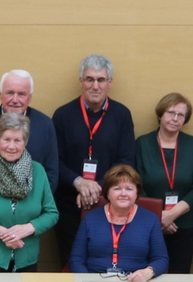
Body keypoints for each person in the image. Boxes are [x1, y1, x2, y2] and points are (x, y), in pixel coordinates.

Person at [52, 55, 135, 268]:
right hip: (69, 205)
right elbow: (54, 162)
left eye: (101, 80)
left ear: (110, 83)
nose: (95, 86)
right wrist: (80, 182)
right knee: (71, 264)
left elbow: (126, 161)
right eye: (89, 79)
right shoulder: (62, 115)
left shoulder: (122, 114)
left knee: (104, 264)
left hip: (108, 206)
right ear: (81, 82)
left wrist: (96, 188)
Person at [0, 113, 59, 272]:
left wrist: (29, 228)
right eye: (6, 139)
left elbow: (51, 213)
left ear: (25, 142)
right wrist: (2, 233)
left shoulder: (38, 171)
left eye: (17, 140)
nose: (11, 146)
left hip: (26, 258)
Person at [134, 93, 193, 274]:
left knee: (179, 276)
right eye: (171, 113)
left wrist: (171, 214)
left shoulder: (192, 144)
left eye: (180, 115)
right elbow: (135, 185)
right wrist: (159, 216)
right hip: (149, 223)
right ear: (160, 114)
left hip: (185, 224)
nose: (175, 119)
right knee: (147, 275)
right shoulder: (142, 143)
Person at [68, 165, 167, 278]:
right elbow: (76, 260)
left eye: (129, 189)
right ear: (107, 193)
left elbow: (161, 259)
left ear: (137, 193)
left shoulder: (150, 219)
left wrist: (147, 273)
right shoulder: (90, 218)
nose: (123, 194)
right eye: (117, 188)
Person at [0, 70, 59, 191]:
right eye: (10, 93)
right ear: (0, 95)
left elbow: (51, 172)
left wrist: (36, 203)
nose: (15, 100)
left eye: (21, 94)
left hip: (32, 203)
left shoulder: (45, 124)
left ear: (30, 98)